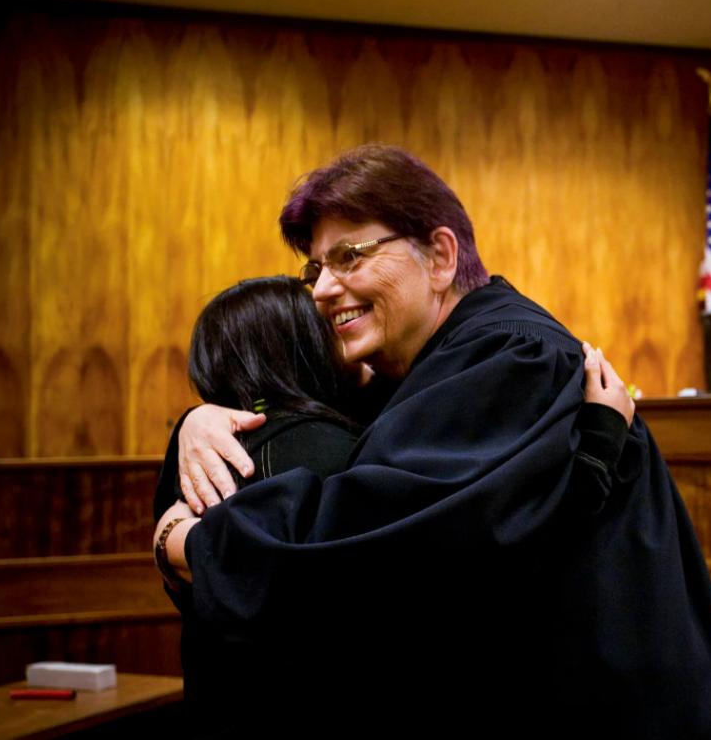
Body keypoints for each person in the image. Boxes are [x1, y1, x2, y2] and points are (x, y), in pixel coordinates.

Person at [160, 145, 711, 738]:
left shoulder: (512, 361)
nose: (322, 289)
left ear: (439, 257)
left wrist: (184, 542)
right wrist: (198, 419)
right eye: (316, 270)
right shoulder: (436, 369)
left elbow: (368, 549)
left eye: (349, 257)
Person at [153, 275, 635, 737]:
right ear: (304, 349)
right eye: (330, 329)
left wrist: (189, 443)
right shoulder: (335, 454)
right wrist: (594, 453)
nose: (348, 338)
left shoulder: (201, 458)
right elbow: (454, 574)